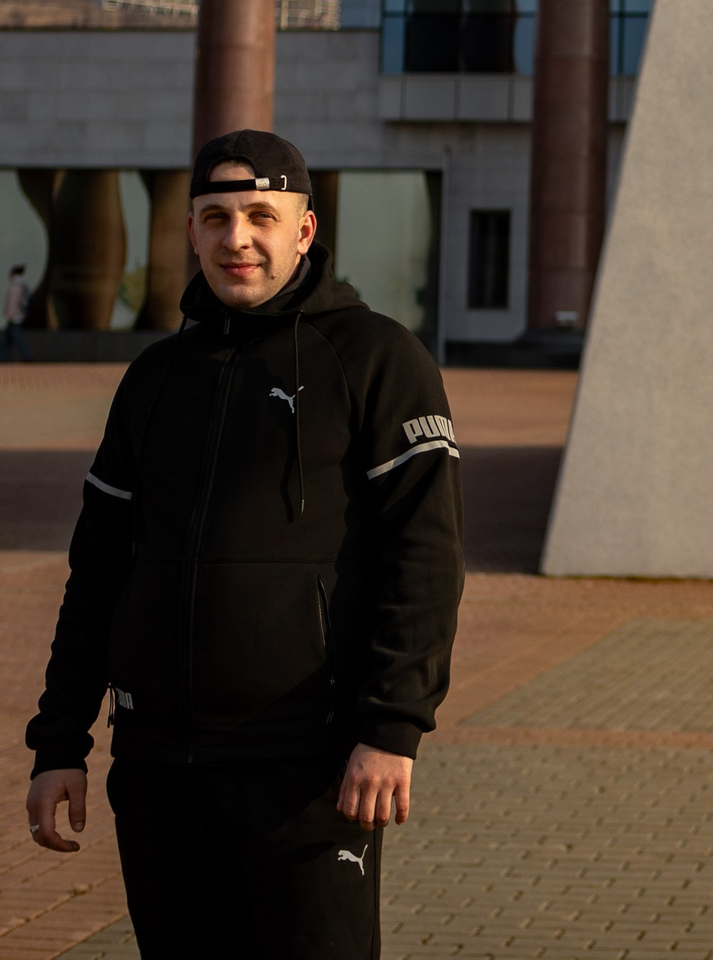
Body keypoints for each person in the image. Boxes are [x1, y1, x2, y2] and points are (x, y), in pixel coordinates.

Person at [23, 129, 464, 960]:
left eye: (262, 214)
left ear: (304, 230)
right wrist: (59, 740)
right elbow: (98, 573)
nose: (238, 237)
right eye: (217, 216)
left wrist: (391, 726)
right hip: (158, 770)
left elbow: (427, 557)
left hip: (309, 768)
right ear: (190, 231)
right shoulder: (153, 378)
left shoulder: (377, 358)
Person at [0, 265, 33, 361]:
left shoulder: (17, 286)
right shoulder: (19, 285)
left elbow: (14, 302)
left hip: (15, 317)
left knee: (18, 339)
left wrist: (13, 313)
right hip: (13, 317)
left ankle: (28, 356)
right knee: (6, 340)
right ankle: (2, 357)